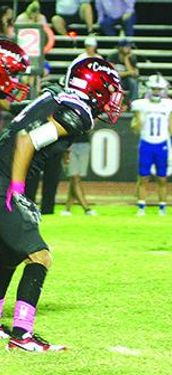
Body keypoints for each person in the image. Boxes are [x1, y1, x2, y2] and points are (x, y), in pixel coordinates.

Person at [0, 49, 123, 351]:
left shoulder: (57, 97)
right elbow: (26, 141)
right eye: (109, 92)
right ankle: (22, 335)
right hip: (4, 181)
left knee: (9, 255)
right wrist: (16, 190)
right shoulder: (77, 113)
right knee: (39, 256)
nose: (112, 100)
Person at [131, 74, 172, 216]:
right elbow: (135, 128)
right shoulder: (141, 105)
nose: (156, 92)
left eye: (158, 89)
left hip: (162, 144)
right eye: (154, 89)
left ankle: (162, 206)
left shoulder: (168, 105)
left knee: (162, 178)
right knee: (143, 177)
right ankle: (141, 206)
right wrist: (139, 120)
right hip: (146, 143)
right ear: (149, 89)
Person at [107, 39, 139, 103]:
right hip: (113, 81)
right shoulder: (112, 57)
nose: (129, 48)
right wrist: (128, 72)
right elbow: (112, 73)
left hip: (126, 81)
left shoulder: (131, 57)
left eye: (130, 47)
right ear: (120, 48)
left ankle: (132, 103)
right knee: (117, 78)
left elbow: (135, 74)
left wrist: (126, 59)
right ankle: (115, 101)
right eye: (127, 47)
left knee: (133, 82)